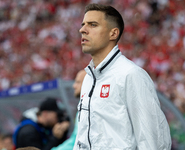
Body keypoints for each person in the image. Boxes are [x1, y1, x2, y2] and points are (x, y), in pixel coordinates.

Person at [73, 3, 171, 150]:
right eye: (83, 25)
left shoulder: (131, 75)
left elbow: (153, 142)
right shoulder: (88, 78)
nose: (82, 30)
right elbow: (82, 138)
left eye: (93, 25)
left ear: (113, 33)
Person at [51, 70, 86, 150]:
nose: (73, 86)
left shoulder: (87, 110)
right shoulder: (82, 108)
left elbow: (76, 142)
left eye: (77, 82)